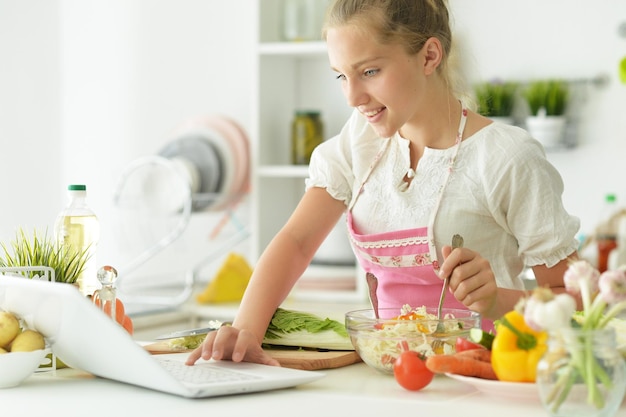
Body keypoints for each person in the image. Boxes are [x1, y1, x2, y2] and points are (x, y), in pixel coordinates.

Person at [187, 0, 580, 367]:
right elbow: (296, 242)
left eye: (370, 71)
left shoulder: (505, 158)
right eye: (341, 75)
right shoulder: (359, 142)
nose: (353, 96)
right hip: (389, 374)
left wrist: (498, 299)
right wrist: (244, 333)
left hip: (487, 374)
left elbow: (580, 305)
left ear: (429, 56)